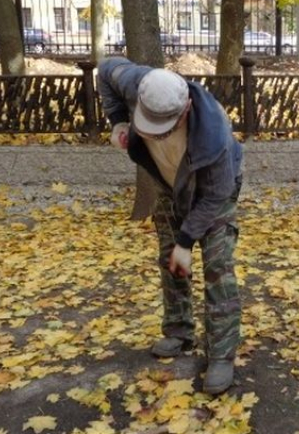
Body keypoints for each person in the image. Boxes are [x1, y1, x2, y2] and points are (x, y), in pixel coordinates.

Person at [98, 58, 244, 395]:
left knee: (217, 266)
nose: (153, 134)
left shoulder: (215, 137)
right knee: (170, 260)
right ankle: (179, 330)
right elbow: (106, 70)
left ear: (186, 108)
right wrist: (119, 121)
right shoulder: (138, 82)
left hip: (212, 193)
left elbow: (214, 198)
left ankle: (221, 353)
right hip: (169, 185)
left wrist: (186, 239)